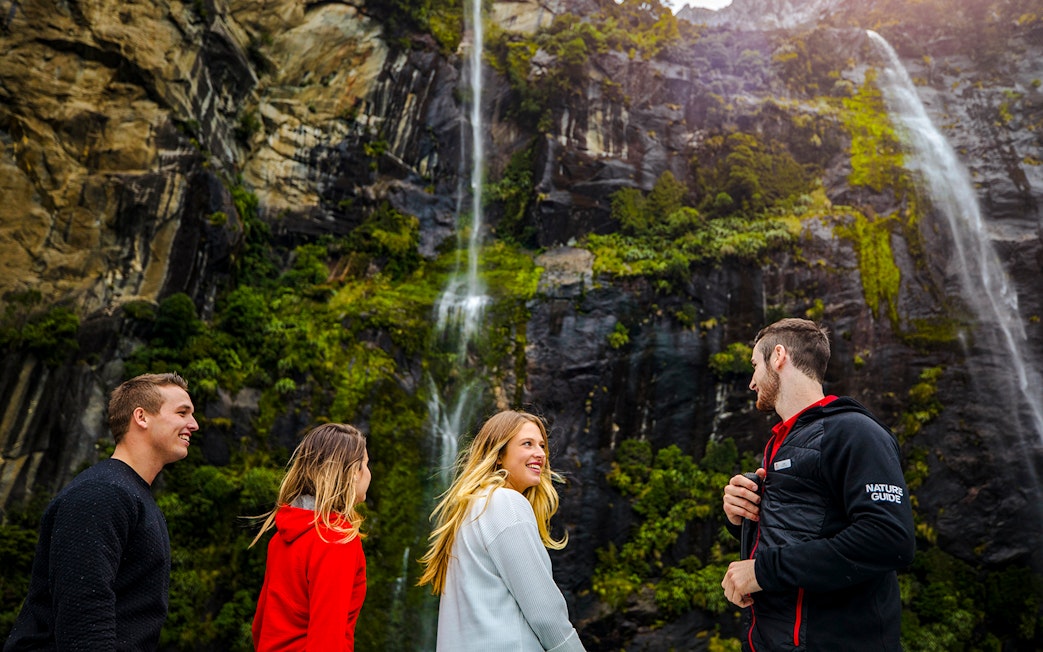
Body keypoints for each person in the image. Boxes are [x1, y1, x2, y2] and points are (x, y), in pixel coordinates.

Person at [720, 318, 915, 651]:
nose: (752, 383)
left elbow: (888, 538)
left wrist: (763, 571)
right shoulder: (783, 442)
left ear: (778, 356)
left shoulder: (854, 431)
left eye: (755, 365)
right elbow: (805, 531)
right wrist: (739, 517)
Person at [4, 372, 199, 651]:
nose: (194, 424)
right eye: (182, 413)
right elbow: (84, 614)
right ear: (141, 417)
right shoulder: (101, 493)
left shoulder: (127, 494)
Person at [419, 410, 585, 652]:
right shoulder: (506, 503)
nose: (540, 453)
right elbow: (544, 612)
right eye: (527, 444)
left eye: (541, 445)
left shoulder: (470, 509)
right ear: (498, 454)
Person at [251, 423, 371, 652]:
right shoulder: (336, 540)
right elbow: (327, 640)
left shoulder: (283, 535)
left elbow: (259, 626)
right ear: (351, 473)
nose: (368, 473)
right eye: (365, 465)